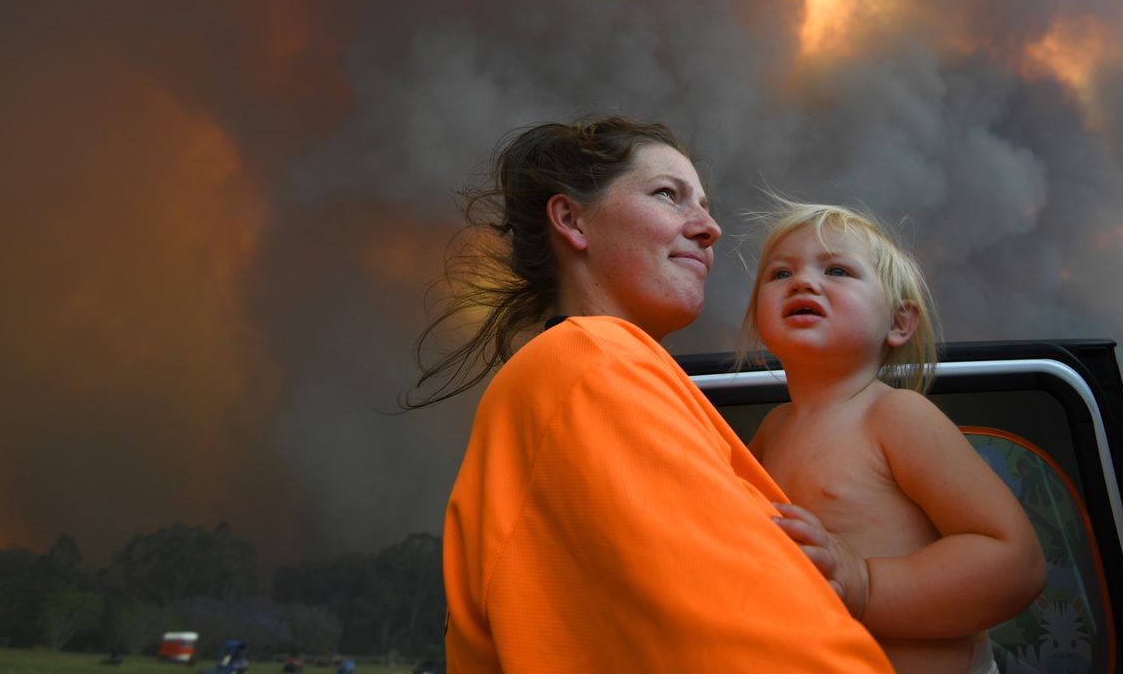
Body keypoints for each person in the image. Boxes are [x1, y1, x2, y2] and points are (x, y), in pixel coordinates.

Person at [410, 117, 891, 671]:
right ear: (572, 220)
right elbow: (751, 644)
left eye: (706, 206)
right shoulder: (594, 363)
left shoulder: (579, 372)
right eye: (669, 195)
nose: (710, 227)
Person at [740, 200, 1045, 674]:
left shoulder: (896, 415)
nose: (802, 281)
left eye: (837, 270)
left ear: (899, 323)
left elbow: (1015, 562)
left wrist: (866, 583)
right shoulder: (771, 432)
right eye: (780, 274)